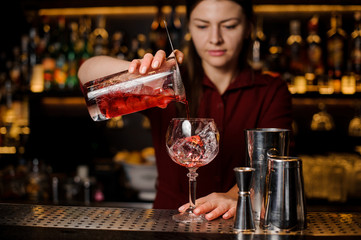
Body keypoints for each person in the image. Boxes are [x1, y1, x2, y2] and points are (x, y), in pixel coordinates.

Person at [78, 0, 292, 221]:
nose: (215, 38)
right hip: (168, 223)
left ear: (249, 27)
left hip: (239, 223)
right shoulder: (165, 84)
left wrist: (237, 196)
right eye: (202, 26)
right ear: (189, 27)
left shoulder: (271, 90)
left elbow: (273, 167)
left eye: (229, 25)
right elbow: (86, 72)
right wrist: (141, 73)